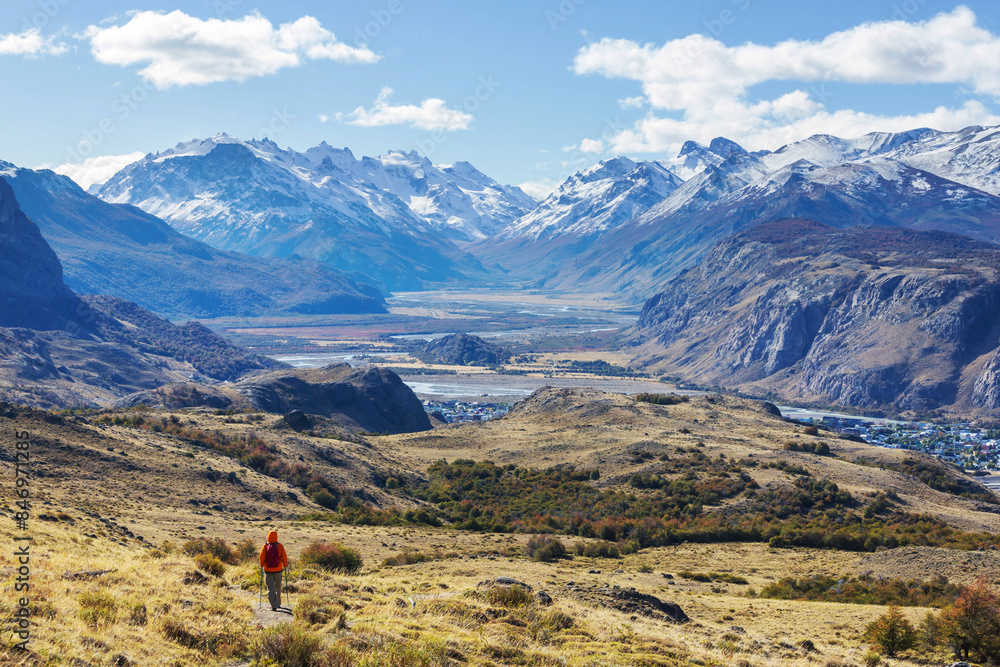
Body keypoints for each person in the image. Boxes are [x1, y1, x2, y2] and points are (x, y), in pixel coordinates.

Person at [259, 530, 288, 611]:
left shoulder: (265, 546)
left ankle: (273, 605)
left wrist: (262, 565)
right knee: (278, 586)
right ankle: (278, 603)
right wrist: (284, 564)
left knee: (270, 588)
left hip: (268, 570)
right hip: (278, 570)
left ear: (268, 536)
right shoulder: (280, 546)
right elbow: (284, 556)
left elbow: (262, 557)